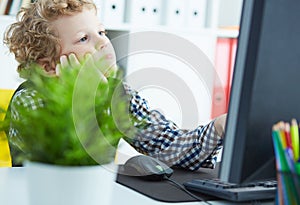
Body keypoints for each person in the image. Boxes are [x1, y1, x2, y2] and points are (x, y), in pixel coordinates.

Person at [4, 0, 227, 170]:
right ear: (50, 67)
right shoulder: (30, 101)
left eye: (101, 32)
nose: (103, 42)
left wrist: (219, 127)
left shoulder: (118, 94)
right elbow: (61, 168)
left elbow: (168, 148)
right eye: (84, 38)